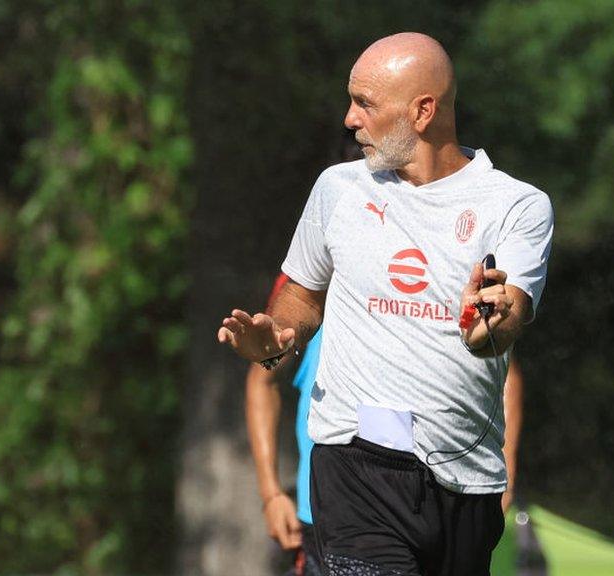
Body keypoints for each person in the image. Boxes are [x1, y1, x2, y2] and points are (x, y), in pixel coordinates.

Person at [221, 32, 552, 575]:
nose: (350, 120)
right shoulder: (337, 188)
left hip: (464, 480)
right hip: (353, 464)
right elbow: (302, 297)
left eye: (365, 104)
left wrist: (489, 322)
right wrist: (278, 335)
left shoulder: (518, 204)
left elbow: (510, 309)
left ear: (423, 111)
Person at [248, 276, 527, 576]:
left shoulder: (434, 266)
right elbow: (262, 378)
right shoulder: (320, 276)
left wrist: (504, 475)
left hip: (440, 502)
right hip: (330, 510)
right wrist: (271, 494)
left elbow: (505, 373)